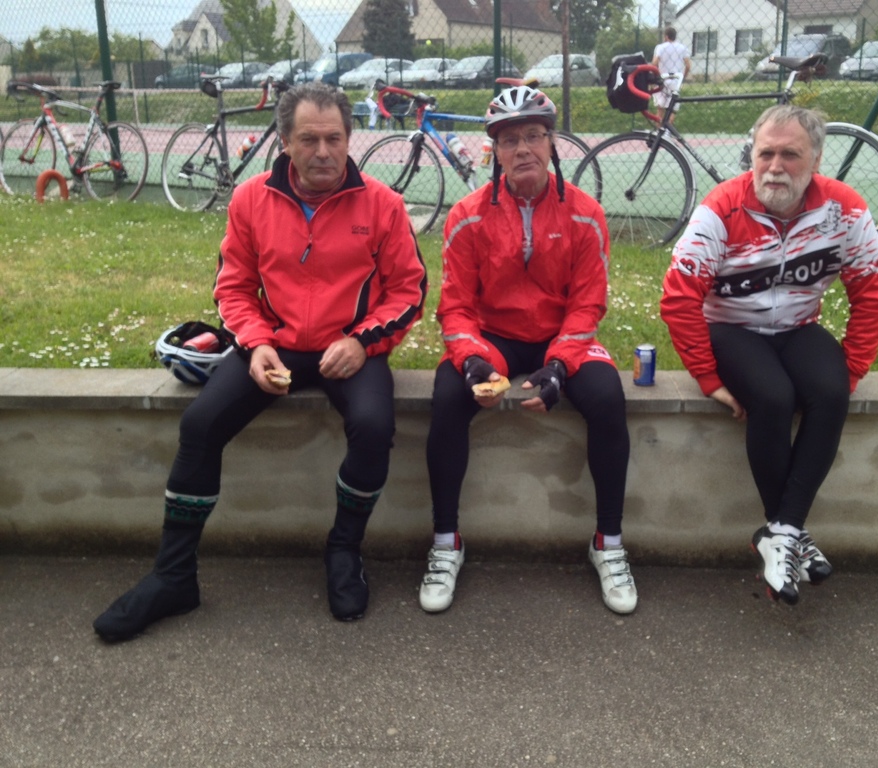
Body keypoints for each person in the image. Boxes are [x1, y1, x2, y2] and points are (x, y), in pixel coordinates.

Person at [92, 83, 428, 642]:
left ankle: (343, 551)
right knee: (200, 425)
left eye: (335, 139)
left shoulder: (383, 204)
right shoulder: (250, 199)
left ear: (350, 139)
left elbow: (409, 292)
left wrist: (361, 342)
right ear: (284, 142)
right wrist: (255, 343)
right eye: (309, 140)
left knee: (374, 427)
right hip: (275, 345)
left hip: (349, 347)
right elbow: (233, 287)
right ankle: (173, 577)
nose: (323, 152)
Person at [660, 105, 878, 605]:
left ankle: (781, 532)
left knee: (831, 392)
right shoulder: (721, 208)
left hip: (797, 326)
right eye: (765, 153)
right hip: (731, 327)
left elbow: (874, 293)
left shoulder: (845, 209)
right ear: (752, 155)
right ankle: (789, 531)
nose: (775, 167)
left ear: (816, 160)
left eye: (791, 155)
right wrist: (707, 377)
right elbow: (679, 298)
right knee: (773, 396)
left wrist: (852, 368)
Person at [418, 85, 637, 616]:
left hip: (560, 338)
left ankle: (608, 543)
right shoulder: (466, 215)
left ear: (552, 143)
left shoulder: (586, 213)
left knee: (608, 398)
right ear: (494, 151)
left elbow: (588, 305)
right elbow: (455, 307)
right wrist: (472, 360)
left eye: (534, 136)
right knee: (447, 398)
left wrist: (559, 366)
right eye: (509, 140)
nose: (523, 149)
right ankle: (446, 542)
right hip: (492, 339)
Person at [651, 26, 692, 126]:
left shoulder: (660, 47)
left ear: (666, 36)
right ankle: (667, 130)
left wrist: (655, 75)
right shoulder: (682, 48)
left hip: (662, 79)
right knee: (672, 109)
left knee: (660, 109)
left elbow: (654, 63)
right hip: (675, 81)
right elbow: (688, 65)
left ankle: (659, 130)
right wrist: (683, 77)